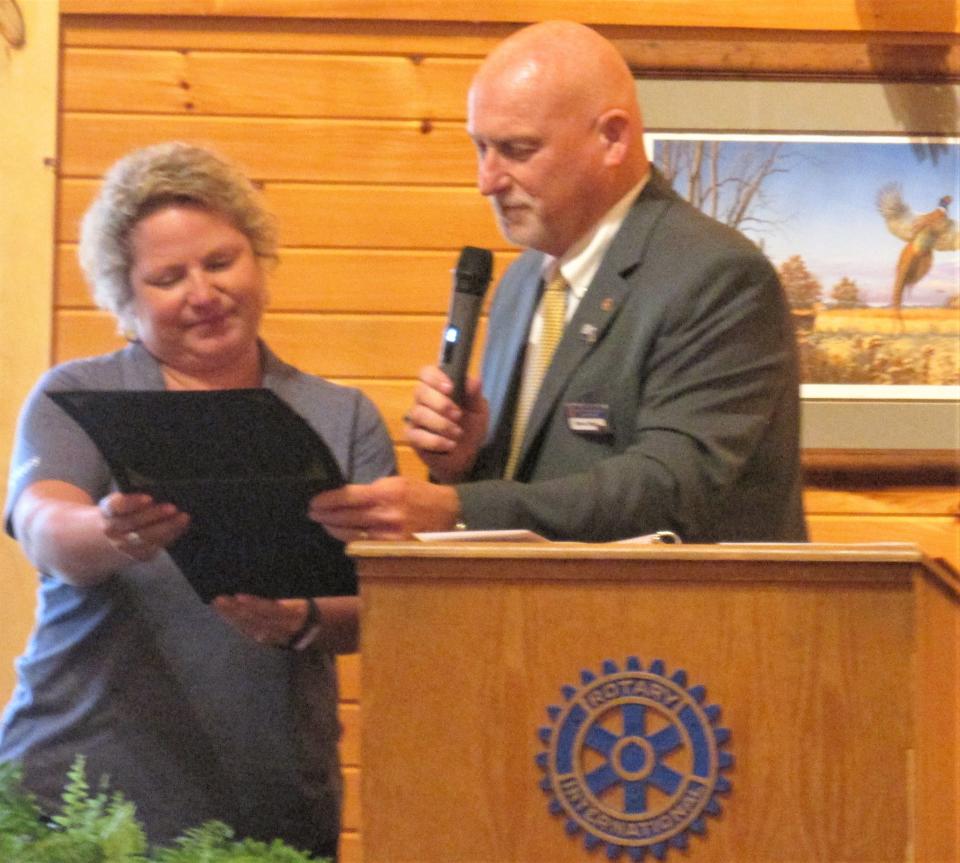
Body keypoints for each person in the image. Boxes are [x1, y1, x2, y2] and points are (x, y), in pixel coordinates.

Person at [1, 142, 395, 855]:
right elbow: (41, 521)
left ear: (259, 260)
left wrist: (301, 618)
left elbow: (389, 601)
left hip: (267, 805)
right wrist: (107, 530)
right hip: (76, 799)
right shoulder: (79, 395)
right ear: (125, 298)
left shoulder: (344, 416)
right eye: (167, 277)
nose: (203, 293)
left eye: (220, 262)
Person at [308, 20, 806, 544]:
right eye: (481, 148)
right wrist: (469, 462)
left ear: (612, 138)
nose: (487, 181)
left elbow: (669, 491)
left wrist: (458, 507)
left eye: (517, 150)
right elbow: (534, 498)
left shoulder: (718, 275)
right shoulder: (523, 283)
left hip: (686, 620)